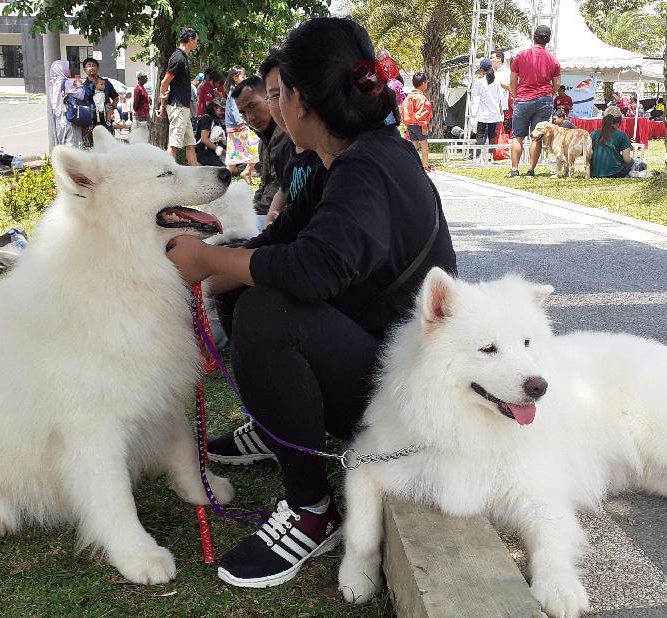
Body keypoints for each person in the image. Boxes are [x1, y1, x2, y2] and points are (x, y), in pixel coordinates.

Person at [164, 16, 456, 588]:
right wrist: (195, 283)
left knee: (270, 311)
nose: (272, 104)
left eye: (276, 93)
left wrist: (209, 262)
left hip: (409, 398)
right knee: (246, 284)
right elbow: (279, 241)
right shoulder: (336, 161)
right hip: (376, 357)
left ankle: (312, 509)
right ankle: (278, 421)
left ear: (298, 100)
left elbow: (312, 269)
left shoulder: (369, 168)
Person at [259, 47, 322, 226]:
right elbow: (284, 189)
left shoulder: (330, 153)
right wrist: (272, 214)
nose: (283, 104)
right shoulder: (284, 152)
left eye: (286, 93)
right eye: (274, 95)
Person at [232, 74, 292, 214]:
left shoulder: (287, 134)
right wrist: (251, 210)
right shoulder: (263, 140)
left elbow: (280, 186)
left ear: (269, 97)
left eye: (252, 106)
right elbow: (265, 182)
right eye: (243, 112)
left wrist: (255, 214)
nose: (250, 118)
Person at [508, 25, 560, 178]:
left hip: (523, 99)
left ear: (534, 37)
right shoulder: (553, 60)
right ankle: (531, 170)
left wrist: (515, 94)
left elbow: (513, 79)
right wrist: (552, 93)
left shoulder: (521, 55)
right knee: (536, 136)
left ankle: (514, 170)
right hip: (544, 100)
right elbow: (556, 83)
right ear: (548, 40)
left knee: (518, 136)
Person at [159, 27, 199, 165]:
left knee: (190, 144)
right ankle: (165, 176)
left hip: (183, 108)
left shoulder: (182, 57)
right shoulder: (178, 58)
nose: (196, 44)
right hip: (178, 108)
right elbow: (164, 83)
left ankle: (195, 175)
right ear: (190, 39)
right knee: (174, 145)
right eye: (196, 41)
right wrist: (163, 105)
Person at [224, 67, 259, 180]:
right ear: (235, 78)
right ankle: (246, 171)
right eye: (243, 77)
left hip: (235, 128)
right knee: (256, 145)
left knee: (233, 155)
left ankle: (245, 172)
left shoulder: (234, 91)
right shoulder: (234, 92)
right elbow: (235, 112)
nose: (245, 79)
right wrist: (243, 126)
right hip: (237, 128)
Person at [471, 58, 504, 161]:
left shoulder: (479, 81)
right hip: (494, 113)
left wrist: (473, 113)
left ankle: (479, 157)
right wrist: (501, 109)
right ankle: (490, 157)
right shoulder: (497, 81)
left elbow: (475, 96)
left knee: (480, 135)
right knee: (492, 136)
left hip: (483, 113)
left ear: (482, 69)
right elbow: (501, 97)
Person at [81, 57, 118, 144]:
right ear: (84, 69)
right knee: (92, 143)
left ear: (98, 68)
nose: (91, 68)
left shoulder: (106, 83)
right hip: (90, 120)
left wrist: (112, 106)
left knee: (108, 143)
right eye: (89, 66)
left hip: (106, 119)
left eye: (93, 65)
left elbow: (115, 97)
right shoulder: (83, 86)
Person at [590, 106, 633, 178]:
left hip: (594, 172)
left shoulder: (594, 133)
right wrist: (633, 162)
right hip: (615, 172)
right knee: (631, 163)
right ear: (619, 121)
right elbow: (627, 159)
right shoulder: (622, 135)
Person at [402, 72, 433, 172]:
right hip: (419, 124)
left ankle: (410, 163)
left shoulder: (409, 97)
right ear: (424, 83)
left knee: (414, 144)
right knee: (424, 144)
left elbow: (404, 110)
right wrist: (424, 125)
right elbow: (422, 112)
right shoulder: (421, 97)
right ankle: (425, 165)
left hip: (409, 123)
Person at [195, 99, 226, 167]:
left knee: (234, 169)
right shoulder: (207, 118)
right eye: (221, 110)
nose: (223, 112)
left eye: (224, 110)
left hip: (214, 153)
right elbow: (204, 139)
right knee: (224, 170)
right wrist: (221, 150)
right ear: (214, 108)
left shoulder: (217, 121)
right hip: (205, 153)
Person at [489, 50, 512, 136]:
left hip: (502, 108)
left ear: (499, 59)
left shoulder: (507, 72)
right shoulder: (490, 72)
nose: (490, 60)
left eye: (492, 58)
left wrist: (499, 84)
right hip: (490, 107)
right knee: (491, 134)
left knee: (502, 134)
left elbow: (512, 88)